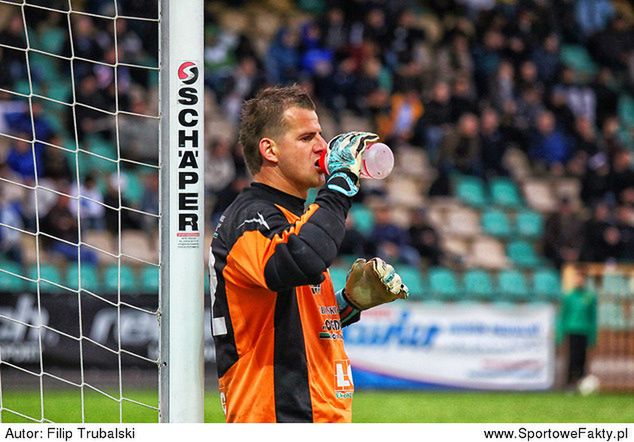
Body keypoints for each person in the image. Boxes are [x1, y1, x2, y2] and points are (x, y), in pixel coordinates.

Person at [207, 85, 409, 423]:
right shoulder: (251, 218)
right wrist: (342, 182)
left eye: (321, 135)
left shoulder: (294, 221)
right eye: (306, 138)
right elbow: (302, 260)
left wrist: (346, 304)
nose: (322, 147)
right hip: (278, 418)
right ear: (269, 150)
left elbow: (289, 317)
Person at [556, 267, 597, 392]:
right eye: (577, 278)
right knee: (572, 358)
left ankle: (581, 383)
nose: (579, 281)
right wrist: (560, 334)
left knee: (582, 358)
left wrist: (593, 335)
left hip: (584, 330)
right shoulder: (569, 297)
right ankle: (569, 384)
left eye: (581, 278)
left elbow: (593, 317)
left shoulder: (590, 297)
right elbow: (563, 316)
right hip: (572, 330)